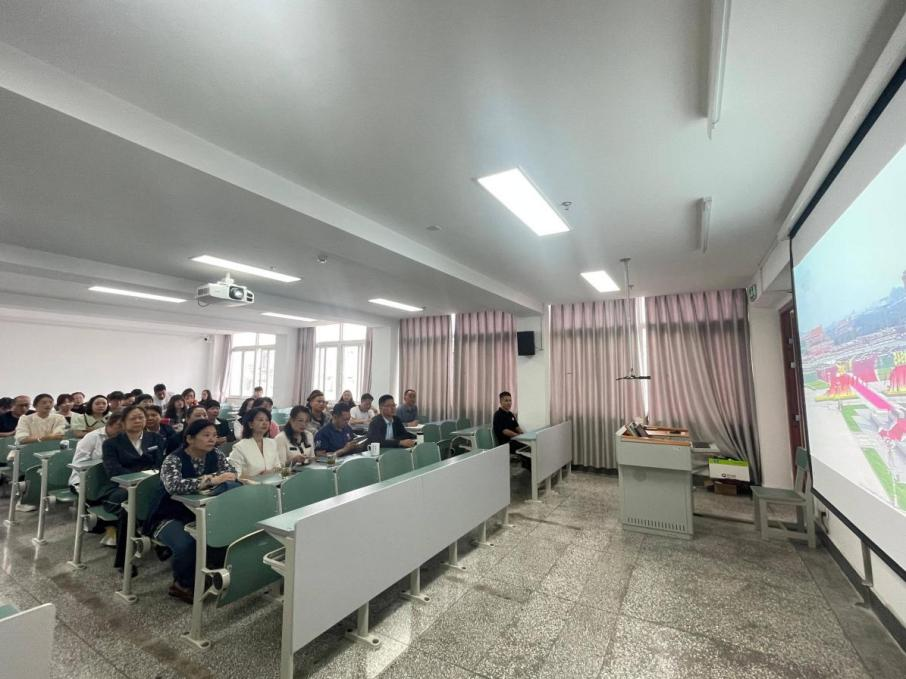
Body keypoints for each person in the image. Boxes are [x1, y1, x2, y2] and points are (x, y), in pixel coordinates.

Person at [147, 419, 239, 603]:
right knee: (187, 544)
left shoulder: (217, 454)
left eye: (214, 435)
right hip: (169, 515)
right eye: (206, 435)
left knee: (226, 533)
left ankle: (210, 568)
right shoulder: (173, 459)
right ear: (190, 439)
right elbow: (174, 486)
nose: (212, 439)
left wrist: (215, 478)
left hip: (202, 511)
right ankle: (182, 584)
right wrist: (211, 480)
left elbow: (231, 474)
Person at [102, 405, 167, 571]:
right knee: (130, 506)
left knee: (131, 511)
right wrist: (137, 481)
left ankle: (128, 556)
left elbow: (160, 464)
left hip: (150, 486)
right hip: (121, 487)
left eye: (141, 417)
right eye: (133, 418)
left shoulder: (155, 438)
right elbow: (113, 470)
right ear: (123, 422)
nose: (138, 421)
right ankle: (149, 537)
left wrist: (146, 482)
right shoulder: (111, 444)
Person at [69, 413, 125, 546]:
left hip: (113, 480)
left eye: (124, 426)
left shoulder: (123, 438)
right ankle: (111, 528)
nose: (122, 429)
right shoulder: (92, 437)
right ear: (110, 424)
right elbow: (79, 464)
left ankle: (123, 527)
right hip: (86, 480)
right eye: (119, 426)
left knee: (126, 495)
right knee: (114, 497)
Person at [228, 407, 282, 477]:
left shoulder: (272, 443)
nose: (265, 423)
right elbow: (235, 475)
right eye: (260, 420)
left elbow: (278, 467)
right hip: (249, 483)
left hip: (273, 481)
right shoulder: (239, 447)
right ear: (250, 424)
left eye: (267, 420)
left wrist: (270, 472)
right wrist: (257, 477)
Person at [492, 391, 525, 455]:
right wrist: (518, 436)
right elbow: (504, 431)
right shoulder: (498, 415)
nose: (509, 403)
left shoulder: (510, 414)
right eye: (506, 401)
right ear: (501, 402)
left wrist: (522, 434)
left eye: (510, 400)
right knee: (526, 448)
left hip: (514, 440)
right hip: (505, 443)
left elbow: (516, 426)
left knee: (529, 445)